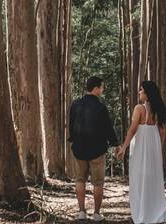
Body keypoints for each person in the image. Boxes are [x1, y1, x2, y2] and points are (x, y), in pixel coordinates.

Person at [116, 80, 166, 224]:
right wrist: (159, 148)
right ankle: (154, 211)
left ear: (147, 93)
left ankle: (142, 212)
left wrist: (124, 147)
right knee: (153, 178)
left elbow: (132, 130)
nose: (139, 92)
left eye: (141, 90)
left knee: (139, 177)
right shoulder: (159, 109)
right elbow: (163, 131)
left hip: (141, 147)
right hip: (154, 147)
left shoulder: (139, 108)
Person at [69, 75, 120, 221]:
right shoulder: (100, 107)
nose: (103, 90)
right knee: (98, 182)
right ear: (96, 88)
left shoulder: (75, 104)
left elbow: (71, 125)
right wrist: (116, 144)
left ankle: (81, 212)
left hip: (79, 148)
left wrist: (73, 141)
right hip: (97, 150)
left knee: (80, 180)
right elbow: (108, 128)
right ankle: (97, 214)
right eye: (102, 87)